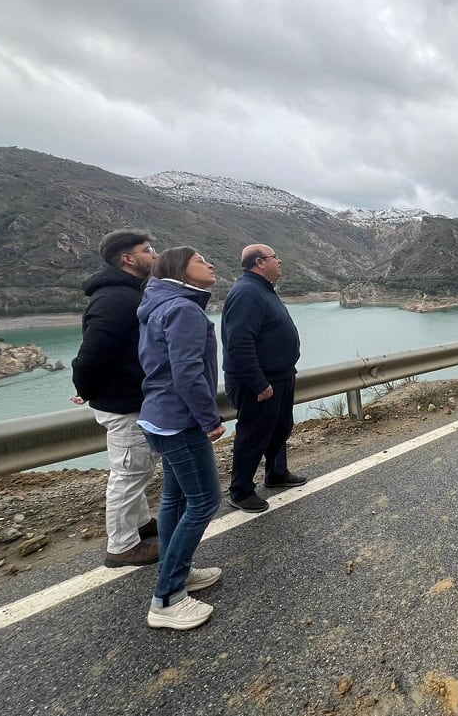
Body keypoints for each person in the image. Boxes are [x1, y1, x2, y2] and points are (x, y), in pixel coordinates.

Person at [137, 247, 225, 630]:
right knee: (205, 500)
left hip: (159, 415)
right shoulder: (184, 309)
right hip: (181, 419)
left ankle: (180, 570)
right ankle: (168, 598)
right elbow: (187, 373)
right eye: (199, 260)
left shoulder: (159, 304)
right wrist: (210, 419)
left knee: (175, 498)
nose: (209, 264)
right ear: (181, 272)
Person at [71, 229, 160, 568]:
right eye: (147, 250)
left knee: (139, 467)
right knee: (128, 472)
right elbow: (92, 356)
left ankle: (139, 524)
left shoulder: (128, 294)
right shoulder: (115, 300)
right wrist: (87, 389)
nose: (154, 254)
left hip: (131, 399)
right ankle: (122, 547)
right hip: (123, 404)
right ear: (128, 259)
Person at [222, 244, 307, 513]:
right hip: (260, 380)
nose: (279, 261)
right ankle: (241, 491)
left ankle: (276, 473)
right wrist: (258, 382)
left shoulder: (262, 289)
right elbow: (239, 342)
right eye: (275, 257)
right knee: (254, 434)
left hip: (280, 375)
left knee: (280, 427)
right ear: (260, 262)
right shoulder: (247, 292)